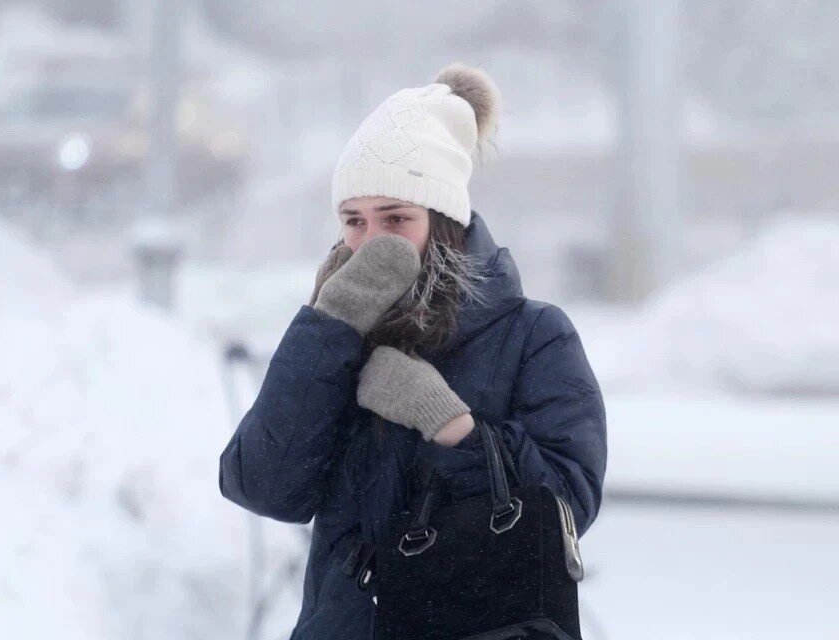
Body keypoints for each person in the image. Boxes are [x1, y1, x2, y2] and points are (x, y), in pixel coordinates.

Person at [219, 63, 607, 640]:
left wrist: (452, 427)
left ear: (445, 223)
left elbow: (566, 507)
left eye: (396, 219)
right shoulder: (335, 336)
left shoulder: (536, 334)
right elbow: (263, 485)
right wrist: (329, 329)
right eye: (354, 220)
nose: (371, 243)